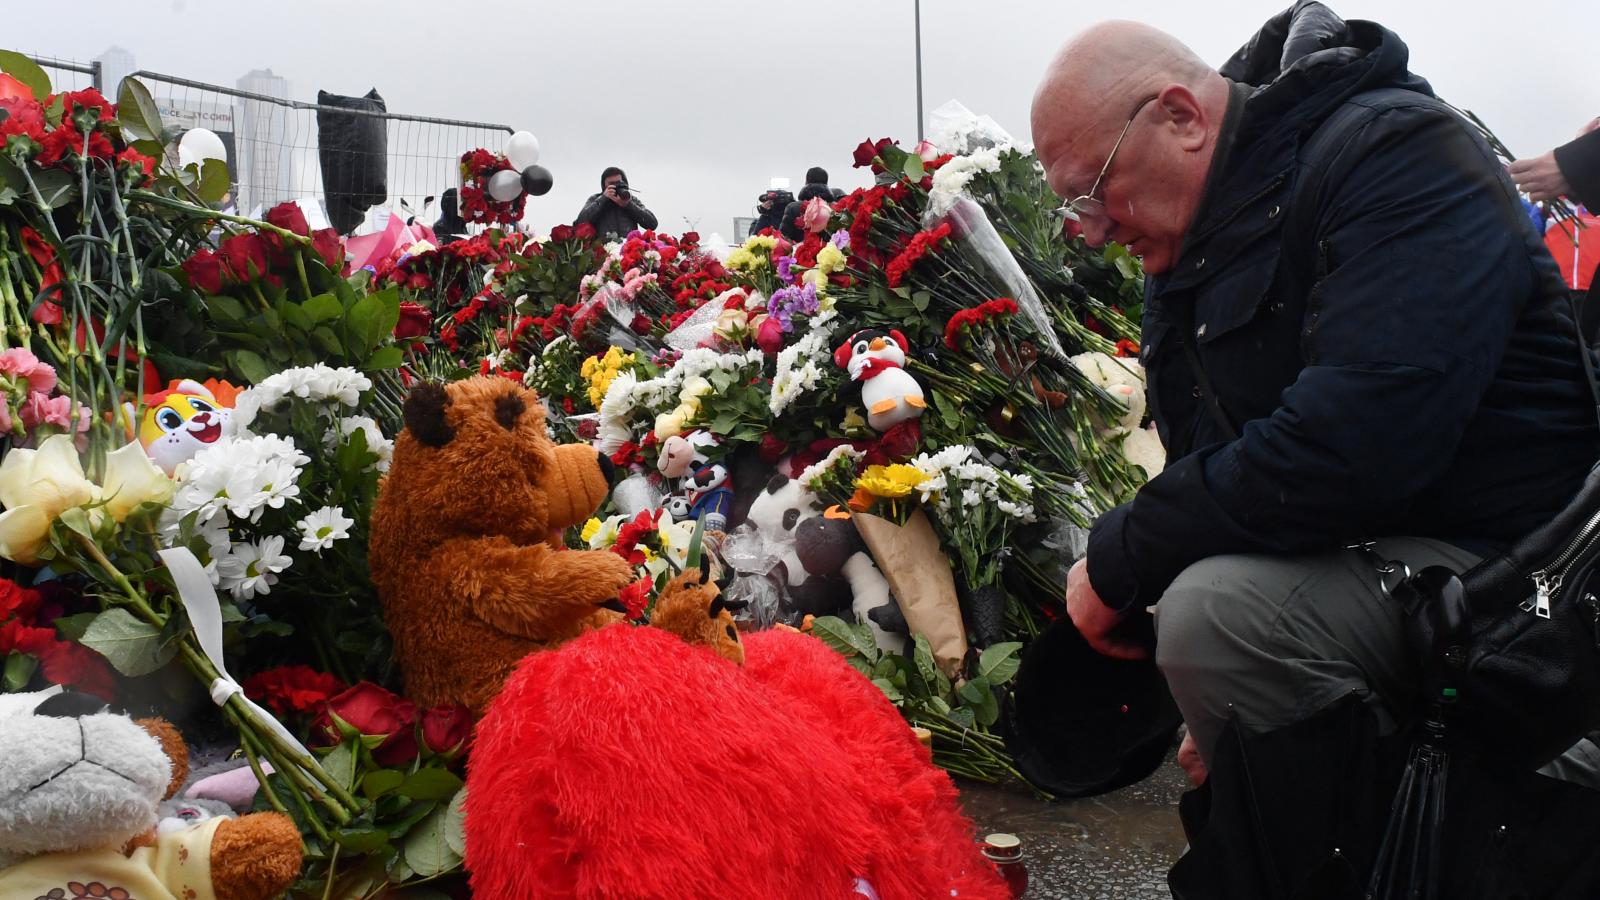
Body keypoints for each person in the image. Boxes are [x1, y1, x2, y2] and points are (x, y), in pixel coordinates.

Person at [1031, 5, 1600, 788]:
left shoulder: (1397, 155)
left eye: (1091, 192)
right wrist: (1223, 705)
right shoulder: (1195, 245)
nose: (1089, 232)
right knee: (1215, 648)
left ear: (1181, 117)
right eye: (1073, 212)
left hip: (1517, 579)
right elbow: (1214, 453)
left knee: (1217, 618)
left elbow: (1361, 443)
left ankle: (1534, 789)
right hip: (1382, 549)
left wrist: (1130, 554)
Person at [1511, 117, 1600, 291]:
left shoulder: (1595, 207)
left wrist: (1579, 160)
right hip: (1558, 291)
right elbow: (1527, 240)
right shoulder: (1547, 208)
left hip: (1593, 290)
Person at [575, 166, 658, 238]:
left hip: (628, 251)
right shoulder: (596, 199)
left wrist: (628, 205)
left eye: (618, 183)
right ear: (604, 186)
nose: (615, 186)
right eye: (611, 184)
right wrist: (603, 199)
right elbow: (581, 222)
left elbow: (652, 224)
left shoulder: (631, 200)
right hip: (604, 252)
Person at [779, 166, 837, 241]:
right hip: (831, 251)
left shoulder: (792, 207)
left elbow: (784, 237)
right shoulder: (835, 207)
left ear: (806, 182)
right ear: (826, 183)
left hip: (800, 251)